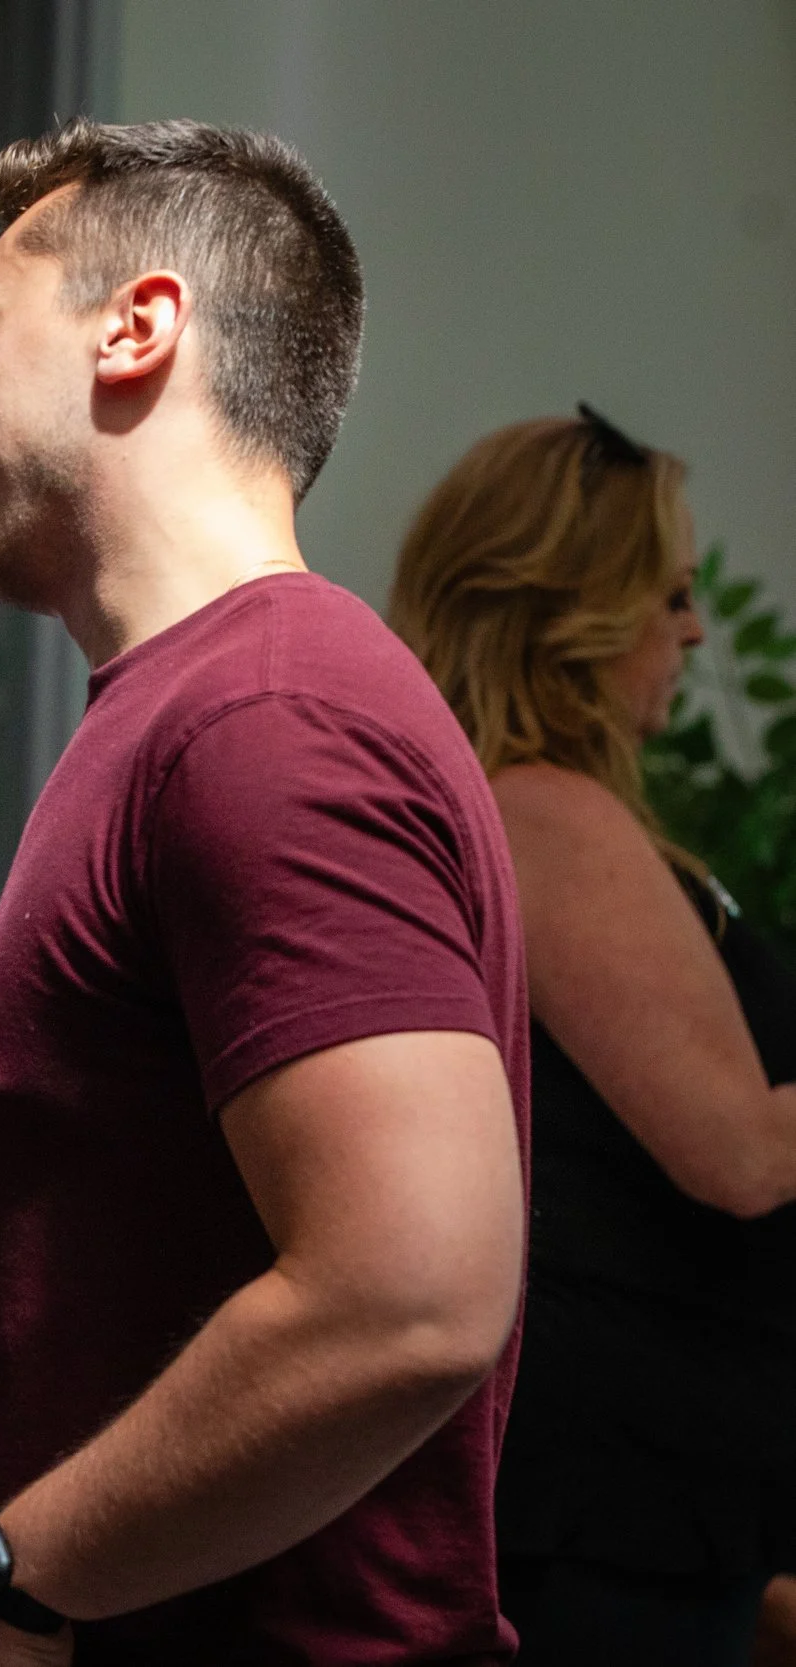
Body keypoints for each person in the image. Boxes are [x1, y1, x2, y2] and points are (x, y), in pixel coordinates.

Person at [0, 119, 529, 1665]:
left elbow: (415, 1288)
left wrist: (19, 1574)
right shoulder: (204, 708)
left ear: (140, 326)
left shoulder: (264, 719)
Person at [391, 411, 796, 1664]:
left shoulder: (523, 805)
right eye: (664, 591)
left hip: (648, 1502)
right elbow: (734, 1148)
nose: (693, 627)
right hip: (616, 1512)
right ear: (568, 607)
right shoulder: (540, 809)